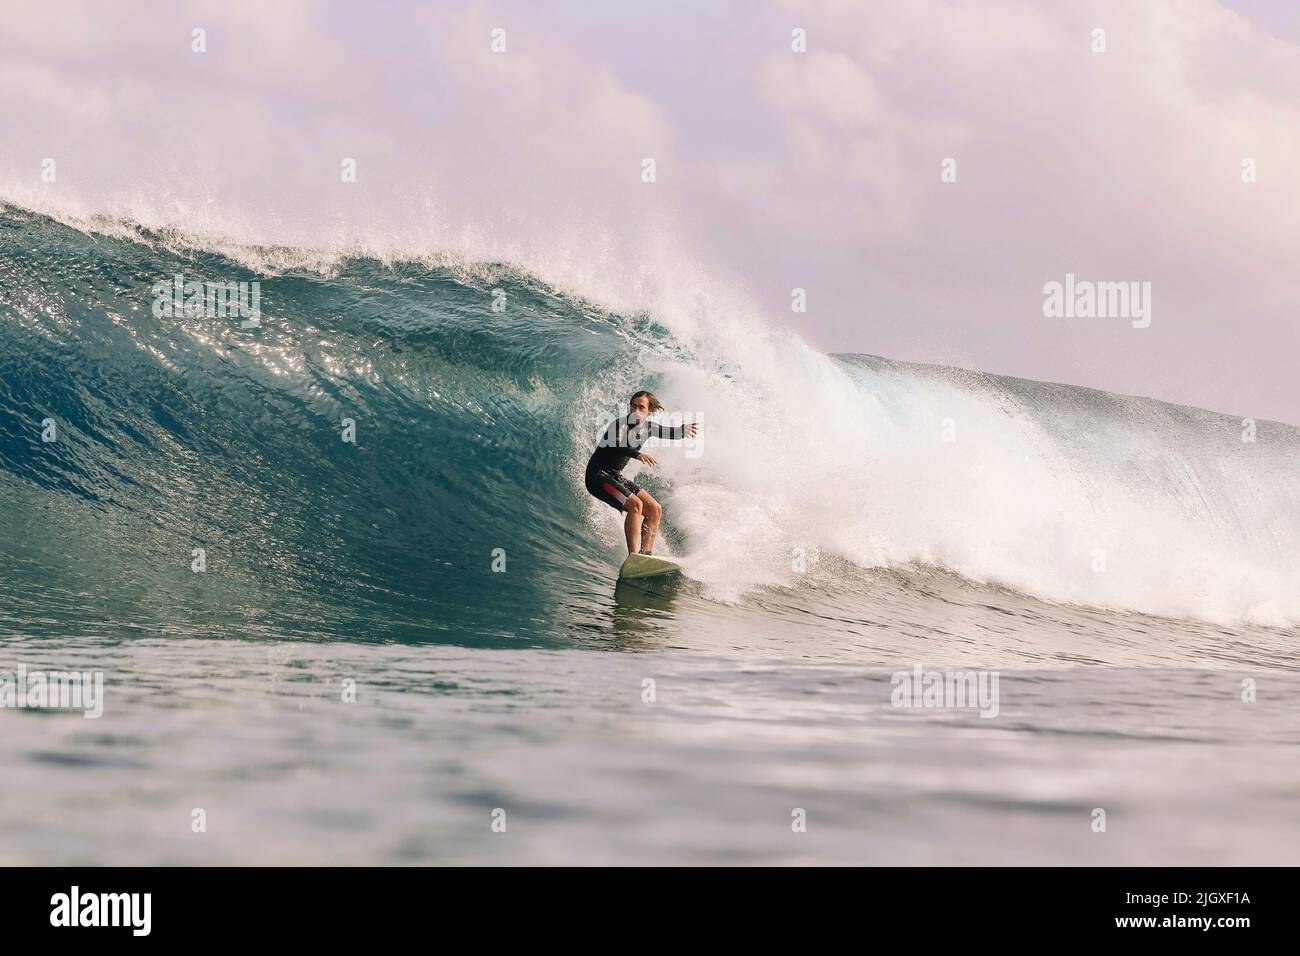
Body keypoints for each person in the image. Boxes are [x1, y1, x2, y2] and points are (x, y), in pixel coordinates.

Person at [585, 390, 697, 555]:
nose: (636, 410)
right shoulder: (619, 425)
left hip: (614, 476)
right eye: (633, 406)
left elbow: (672, 433)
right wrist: (637, 454)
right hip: (598, 477)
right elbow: (615, 444)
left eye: (641, 407)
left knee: (655, 509)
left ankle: (646, 555)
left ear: (649, 411)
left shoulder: (648, 428)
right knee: (635, 505)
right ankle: (633, 556)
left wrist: (683, 430)